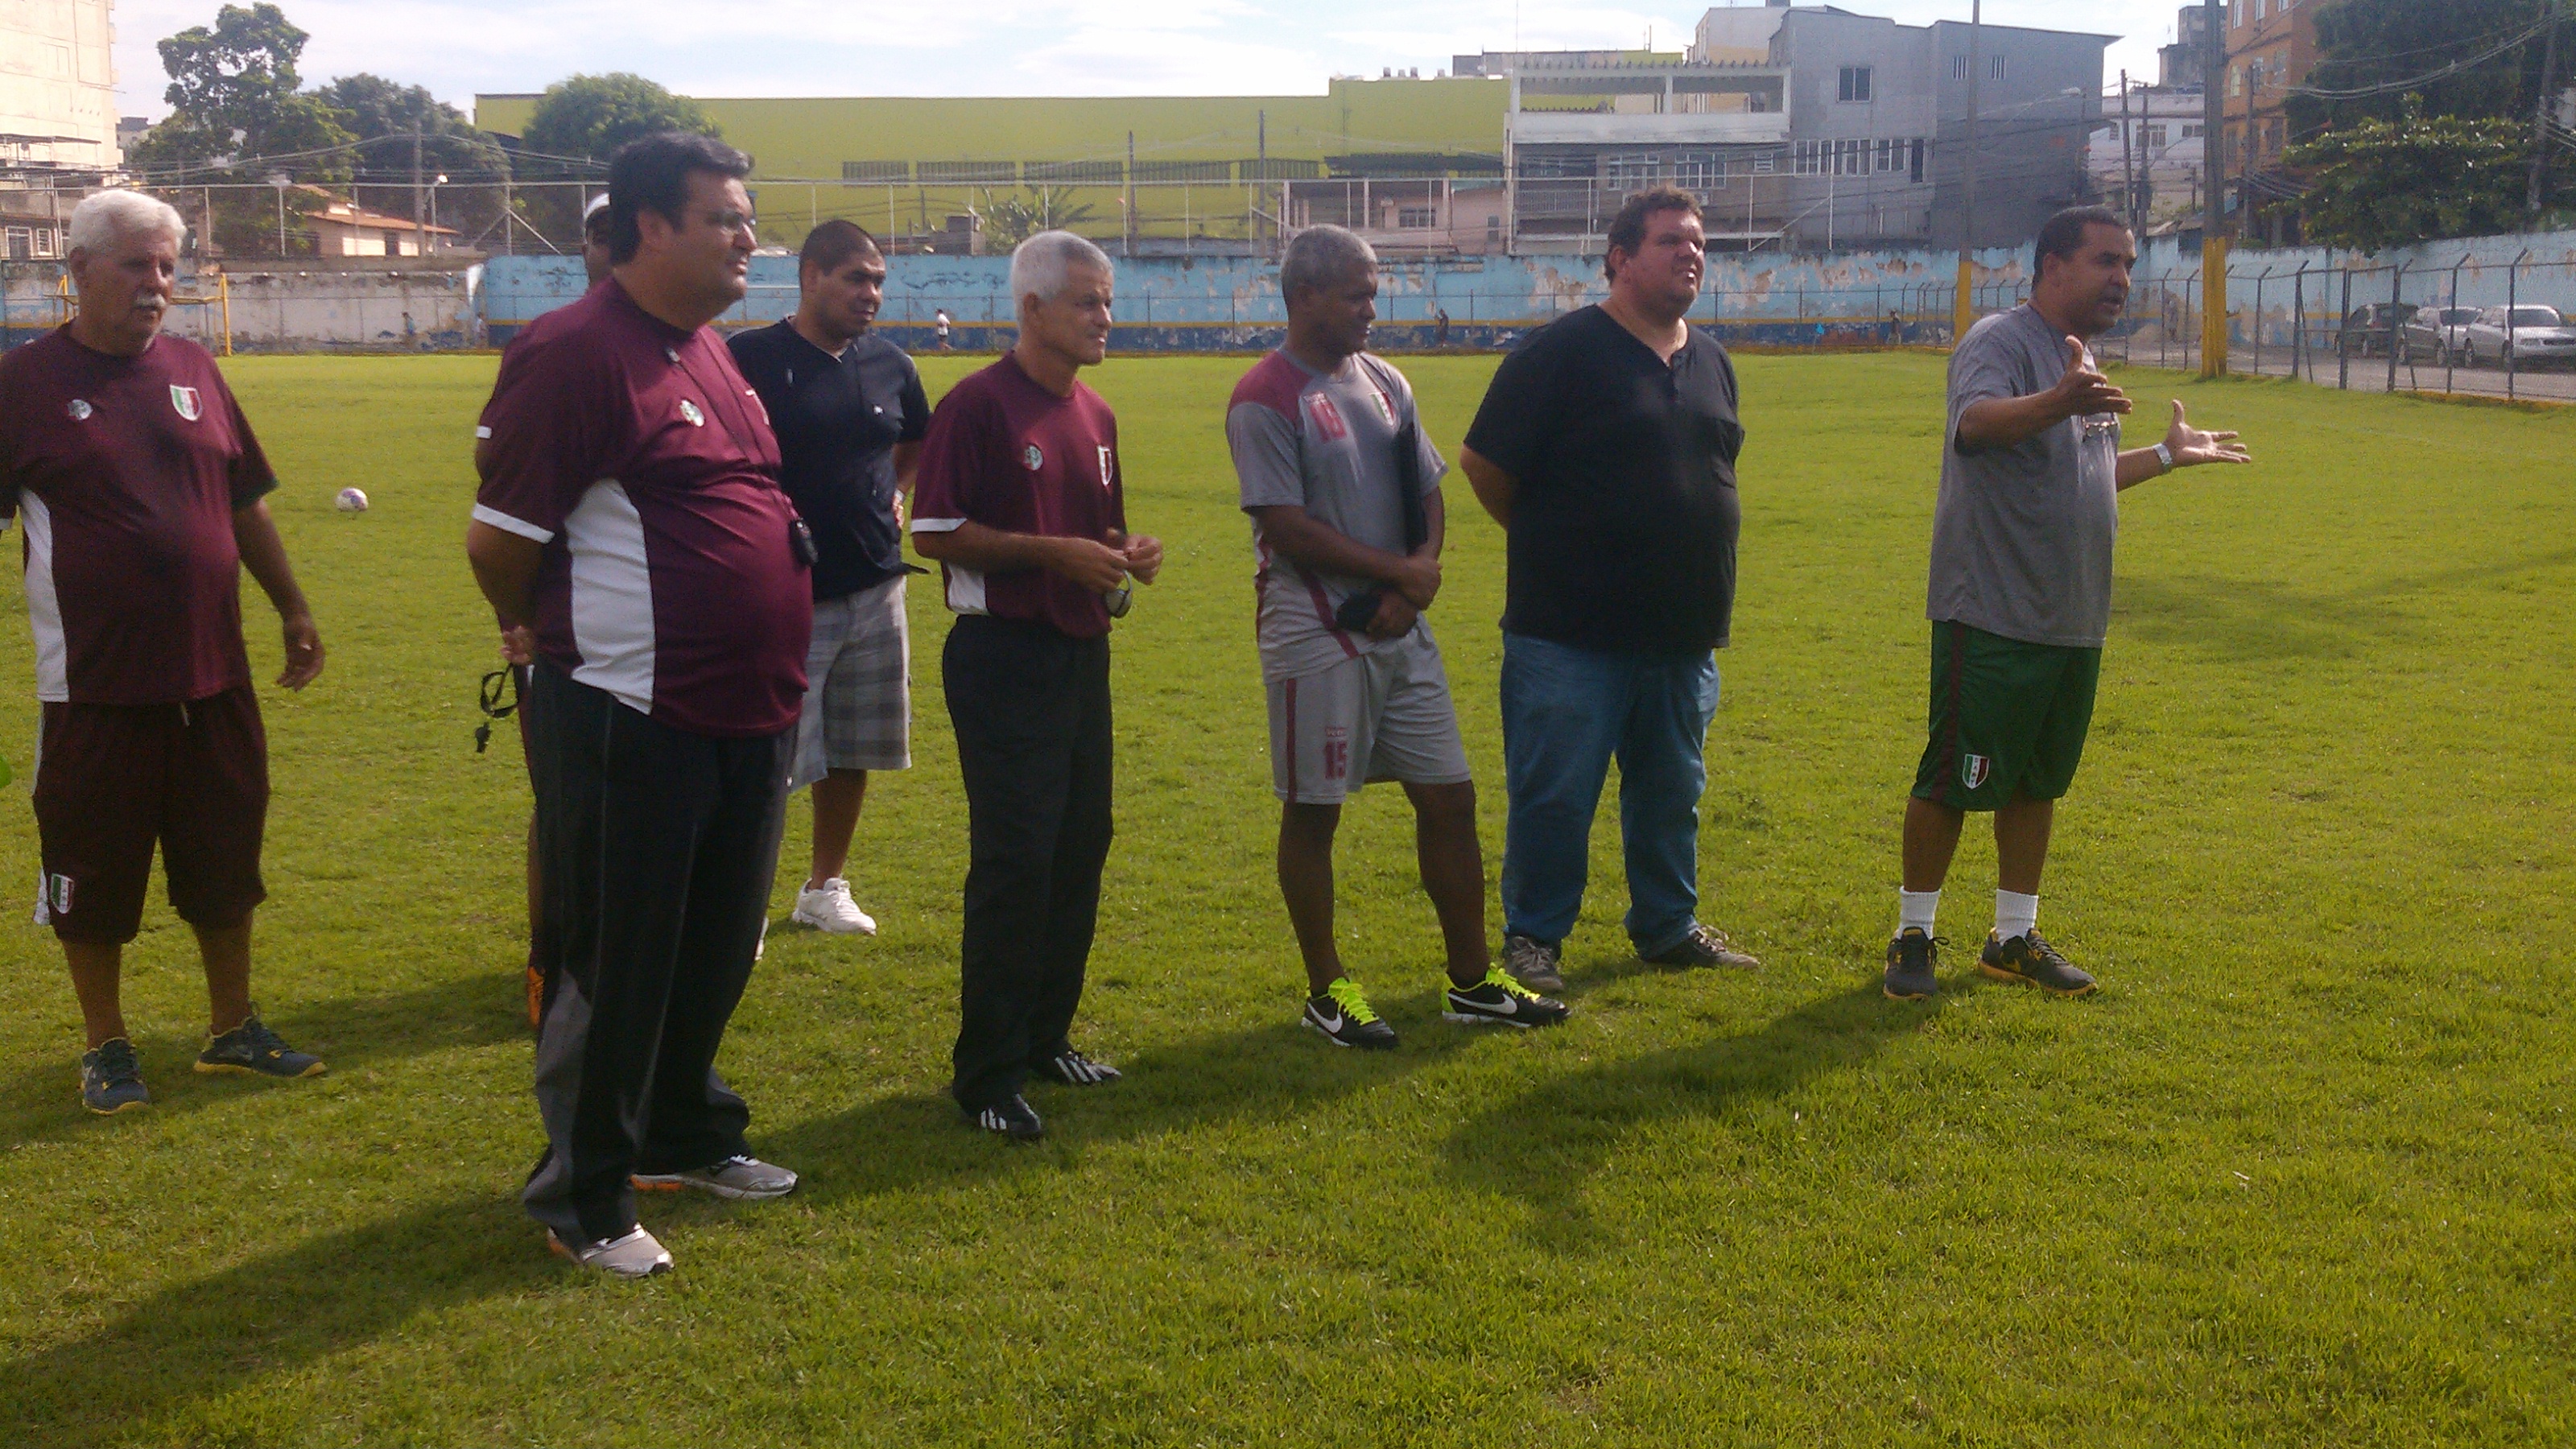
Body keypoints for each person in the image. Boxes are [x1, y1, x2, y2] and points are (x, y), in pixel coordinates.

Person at [467, 132, 811, 1278]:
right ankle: (586, 1197)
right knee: (618, 956)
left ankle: (680, 1134)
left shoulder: (709, 350)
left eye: (748, 217)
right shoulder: (571, 352)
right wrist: (545, 638)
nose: (747, 237)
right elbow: (500, 540)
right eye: (724, 217)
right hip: (629, 708)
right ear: (650, 225)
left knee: (718, 944)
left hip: (749, 708)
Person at [0, 189, 328, 1115]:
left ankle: (233, 1029)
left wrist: (292, 607)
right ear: (78, 272)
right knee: (92, 872)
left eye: (168, 267)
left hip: (212, 675)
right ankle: (106, 1048)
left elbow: (244, 498)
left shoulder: (193, 367)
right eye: (137, 265)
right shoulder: (20, 385)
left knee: (225, 860)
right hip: (96, 688)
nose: (158, 285)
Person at [1882, 205, 2251, 1002]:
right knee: (1952, 777)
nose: (2121, 276)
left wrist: (2163, 455)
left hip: (2070, 618)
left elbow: (2081, 478)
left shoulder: (2077, 361)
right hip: (1990, 610)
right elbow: (1974, 426)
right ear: (2051, 267)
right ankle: (1912, 932)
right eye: (2104, 261)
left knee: (2035, 782)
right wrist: (2057, 398)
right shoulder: (2002, 343)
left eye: (2126, 262)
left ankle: (2010, 940)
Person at [1228, 225, 1566, 1047]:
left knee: (1449, 798)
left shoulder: (1383, 380)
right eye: (1356, 293)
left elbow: (1429, 489)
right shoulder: (1262, 396)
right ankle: (1326, 989)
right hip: (1313, 628)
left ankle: (1472, 982)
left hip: (1397, 627)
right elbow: (1285, 525)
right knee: (1313, 814)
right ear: (1302, 295)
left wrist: (1413, 583)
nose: (1371, 308)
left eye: (1373, 291)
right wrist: (1397, 576)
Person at [1458, 186, 1761, 995]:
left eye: (1698, 243)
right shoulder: (1558, 353)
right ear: (1619, 259)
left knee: (1670, 794)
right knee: (1553, 796)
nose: (1689, 254)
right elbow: (1486, 467)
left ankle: (1665, 927)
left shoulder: (1712, 361)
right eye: (1669, 241)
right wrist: (1557, 545)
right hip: (1568, 633)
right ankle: (1533, 939)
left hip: (1684, 632)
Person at [910, 230, 1162, 1141]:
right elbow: (932, 530)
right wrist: (1049, 553)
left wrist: (1128, 555)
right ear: (1032, 309)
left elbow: (1102, 532)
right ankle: (985, 1073)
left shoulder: (1094, 414)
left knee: (1079, 843)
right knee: (1015, 860)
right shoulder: (976, 406)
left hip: (1078, 655)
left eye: (1105, 300)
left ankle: (1047, 1036)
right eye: (1088, 301)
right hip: (1000, 659)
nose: (1105, 317)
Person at [729, 221, 929, 936]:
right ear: (811, 275)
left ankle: (824, 888)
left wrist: (896, 493)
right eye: (855, 278)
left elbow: (912, 441)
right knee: (770, 760)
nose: (870, 293)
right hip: (785, 592)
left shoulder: (891, 364)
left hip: (878, 587)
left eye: (877, 280)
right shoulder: (748, 358)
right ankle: (739, 908)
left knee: (851, 750)